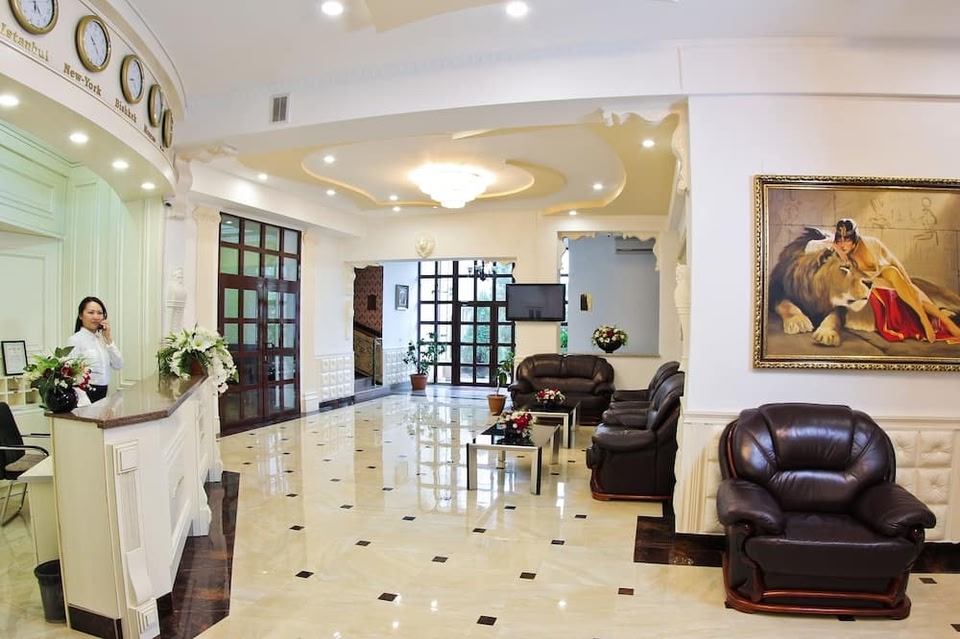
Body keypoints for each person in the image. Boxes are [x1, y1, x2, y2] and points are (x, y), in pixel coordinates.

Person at [831, 219, 960, 343]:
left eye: (847, 240)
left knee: (895, 273)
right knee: (904, 288)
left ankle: (930, 319)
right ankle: (936, 320)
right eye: (839, 240)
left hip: (887, 274)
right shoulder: (841, 255)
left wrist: (908, 283)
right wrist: (840, 253)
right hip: (874, 282)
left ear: (854, 238)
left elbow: (894, 262)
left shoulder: (872, 243)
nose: (842, 245)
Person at [67, 296, 123, 402]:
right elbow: (71, 375)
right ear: (80, 315)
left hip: (104, 393)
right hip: (84, 396)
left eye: (100, 313)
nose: (96, 317)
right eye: (91, 312)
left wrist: (109, 338)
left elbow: (118, 365)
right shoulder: (75, 340)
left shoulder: (102, 340)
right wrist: (83, 401)